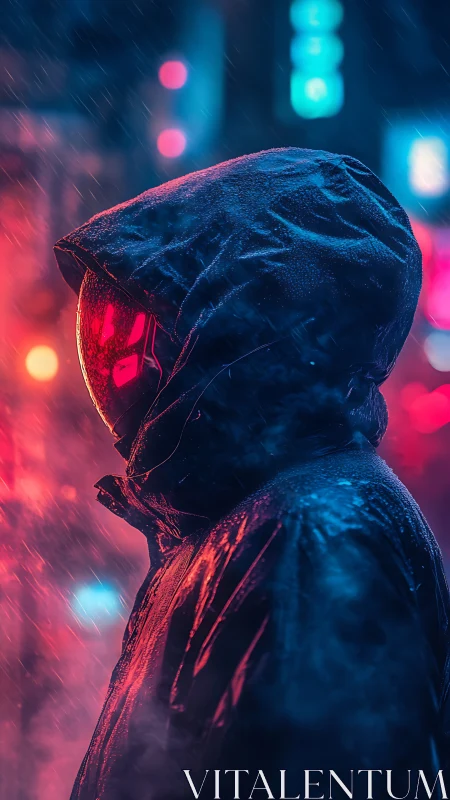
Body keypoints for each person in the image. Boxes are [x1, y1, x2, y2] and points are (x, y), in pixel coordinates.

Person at [55, 148, 450, 800]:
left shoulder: (314, 535)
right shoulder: (256, 522)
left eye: (154, 326)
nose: (127, 363)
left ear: (237, 328)